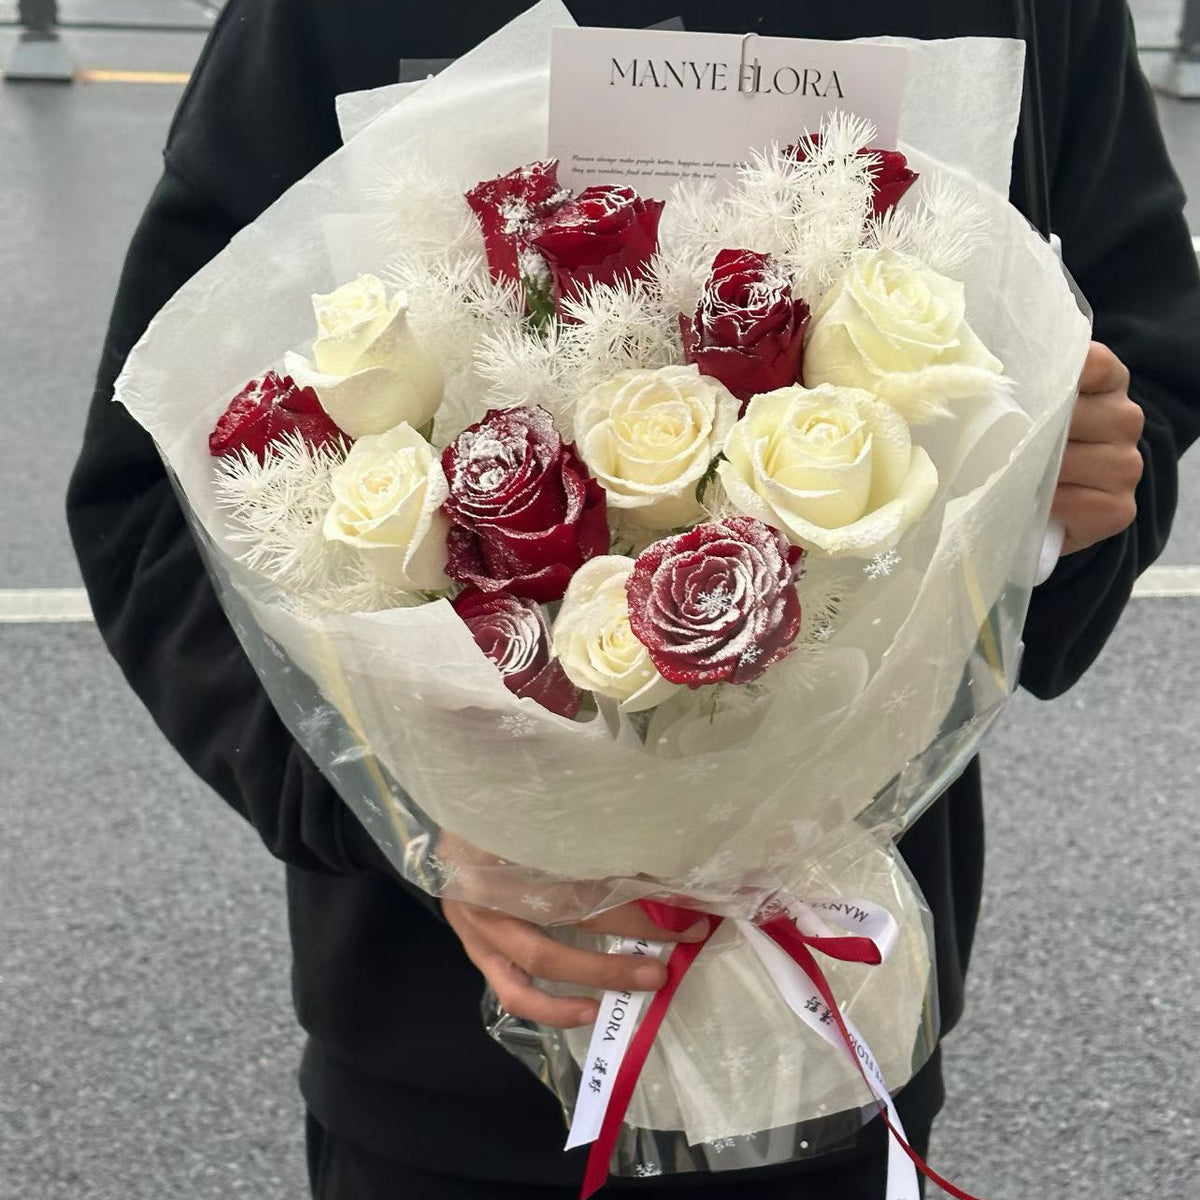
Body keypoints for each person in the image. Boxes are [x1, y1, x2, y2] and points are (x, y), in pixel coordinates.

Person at [66, 2, 1199, 1197]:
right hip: (444, 1055)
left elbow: (1141, 349)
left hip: (830, 1022)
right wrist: (404, 818)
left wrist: (1057, 503)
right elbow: (156, 482)